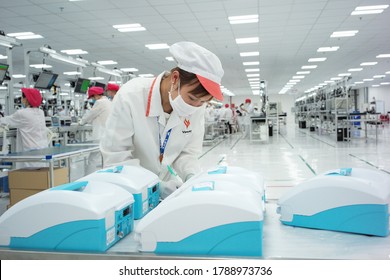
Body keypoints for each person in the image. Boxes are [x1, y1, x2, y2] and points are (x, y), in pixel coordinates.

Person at [100, 41, 224, 198]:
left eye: (203, 102)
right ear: (175, 78)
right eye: (192, 98)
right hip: (130, 191)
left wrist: (190, 175)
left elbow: (187, 152)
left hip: (167, 189)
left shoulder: (197, 107)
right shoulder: (131, 96)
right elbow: (116, 158)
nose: (196, 106)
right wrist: (155, 187)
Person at [0, 88, 48, 168]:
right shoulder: (40, 112)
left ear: (26, 99)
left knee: (29, 179)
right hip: (42, 153)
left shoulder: (22, 113)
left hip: (30, 157)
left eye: (22, 97)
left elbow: (5, 121)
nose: (21, 99)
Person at [79, 86, 112, 174]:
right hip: (108, 135)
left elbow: (91, 114)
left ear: (96, 95)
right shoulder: (108, 102)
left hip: (100, 136)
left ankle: (88, 178)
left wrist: (81, 122)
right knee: (105, 159)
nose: (93, 99)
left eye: (92, 97)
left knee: (92, 159)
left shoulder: (100, 102)